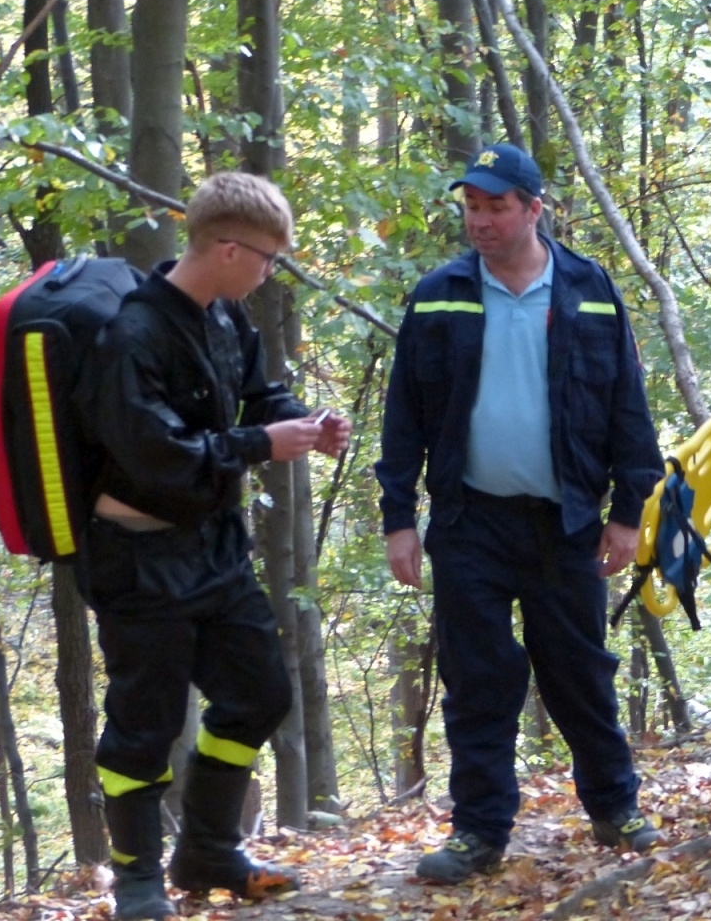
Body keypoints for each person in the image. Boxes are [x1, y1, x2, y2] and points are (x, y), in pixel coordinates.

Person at [376, 143, 666, 884]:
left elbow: (627, 411)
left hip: (564, 521)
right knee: (476, 679)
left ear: (534, 209)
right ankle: (478, 832)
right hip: (470, 522)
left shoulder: (590, 291)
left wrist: (628, 513)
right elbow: (403, 414)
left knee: (579, 671)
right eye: (471, 205)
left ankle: (615, 807)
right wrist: (398, 515)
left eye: (496, 206)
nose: (481, 220)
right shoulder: (438, 294)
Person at [79, 172, 351, 919]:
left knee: (257, 694)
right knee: (145, 722)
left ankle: (206, 849)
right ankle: (136, 877)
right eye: (267, 258)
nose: (269, 271)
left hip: (216, 550)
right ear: (228, 249)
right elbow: (153, 454)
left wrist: (304, 424)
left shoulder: (227, 320)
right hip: (138, 557)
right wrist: (261, 442)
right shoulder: (132, 334)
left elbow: (260, 396)